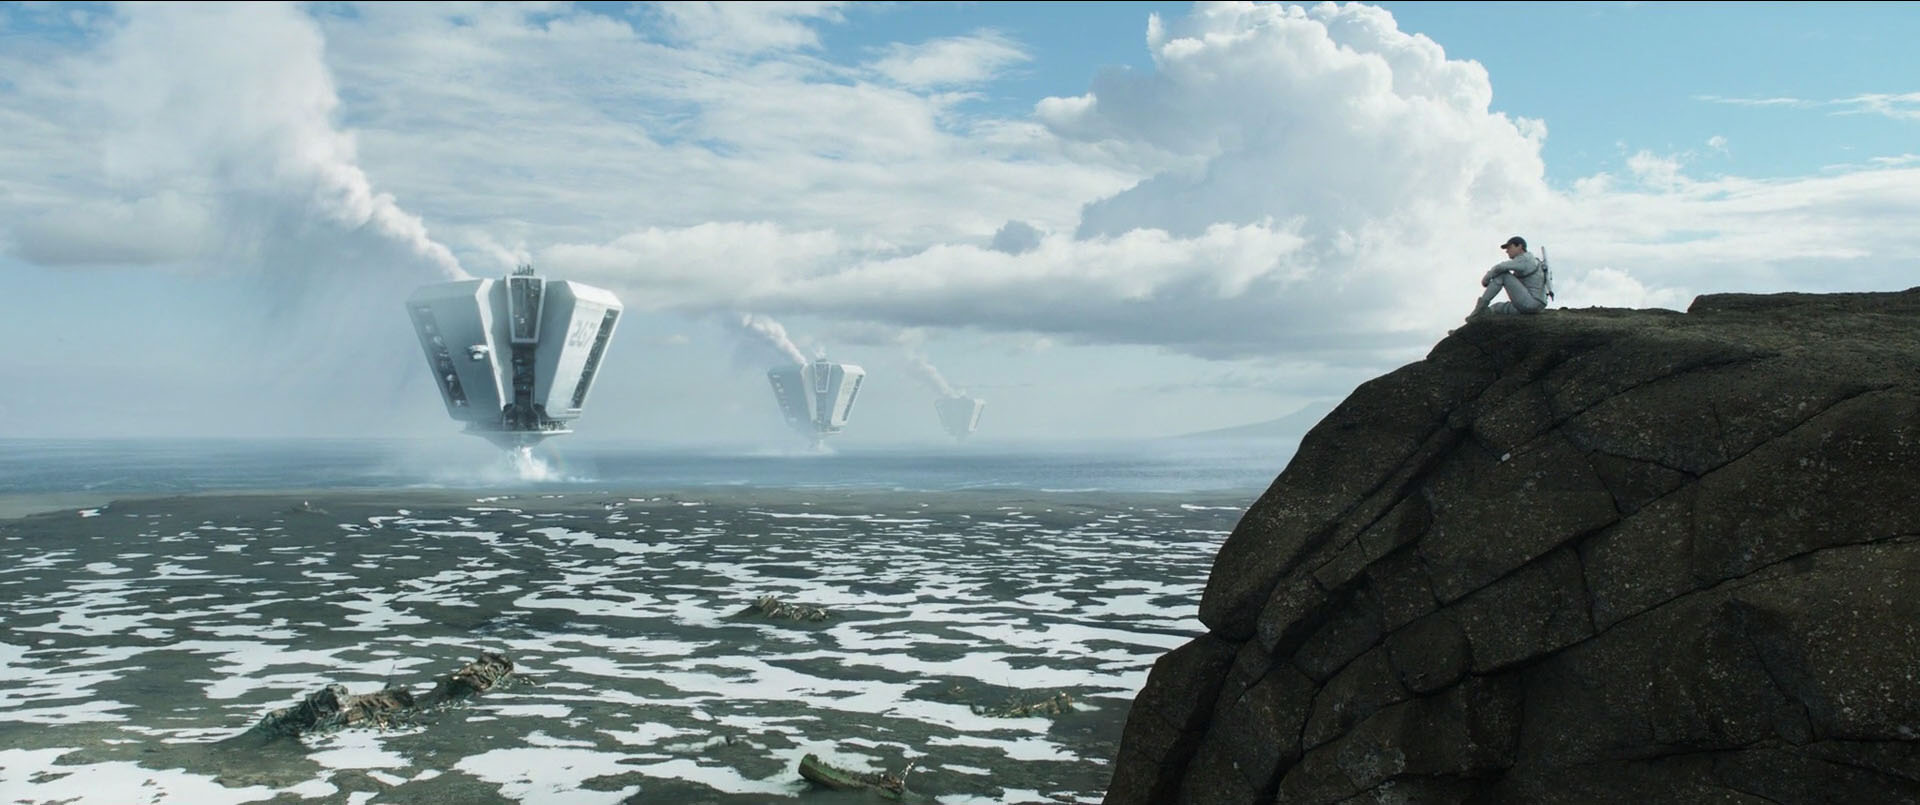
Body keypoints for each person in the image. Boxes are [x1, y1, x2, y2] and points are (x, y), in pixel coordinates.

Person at [1468, 236, 1549, 321]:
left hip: (1531, 303)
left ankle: (1478, 311)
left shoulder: (1525, 259)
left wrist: (1486, 278)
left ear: (1519, 246)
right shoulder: (1530, 260)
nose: (1507, 251)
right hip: (1537, 304)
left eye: (1509, 247)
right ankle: (1478, 316)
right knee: (1496, 307)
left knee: (1503, 275)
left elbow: (1500, 267)